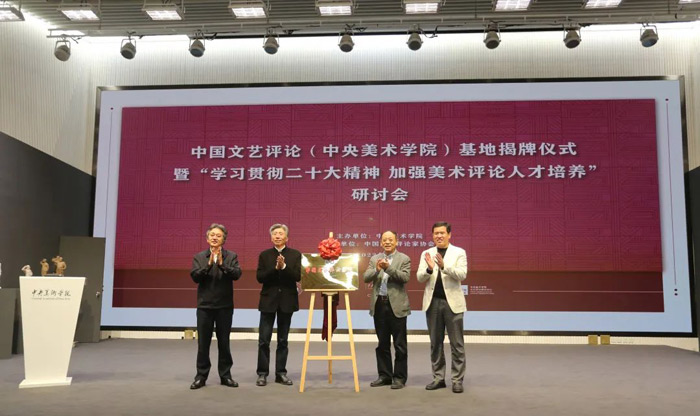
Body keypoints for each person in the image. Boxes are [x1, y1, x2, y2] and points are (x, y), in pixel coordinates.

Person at [189, 223, 242, 390]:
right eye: (212, 235)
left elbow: (237, 274)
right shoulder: (199, 257)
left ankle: (225, 376)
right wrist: (208, 264)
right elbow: (195, 277)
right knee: (203, 344)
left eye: (218, 236)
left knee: (224, 343)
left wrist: (221, 264)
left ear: (223, 239)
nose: (215, 238)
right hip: (204, 307)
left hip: (224, 307)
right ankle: (201, 376)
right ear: (207, 238)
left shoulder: (231, 256)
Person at [417, 222, 468, 393]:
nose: (439, 236)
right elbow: (419, 277)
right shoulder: (426, 253)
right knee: (435, 343)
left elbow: (462, 274)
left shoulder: (459, 252)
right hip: (433, 303)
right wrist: (429, 270)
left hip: (453, 303)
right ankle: (438, 378)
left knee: (457, 344)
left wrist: (444, 266)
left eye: (442, 233)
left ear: (449, 235)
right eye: (436, 233)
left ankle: (457, 380)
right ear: (432, 235)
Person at [363, 231, 411, 389]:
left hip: (397, 306)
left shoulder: (404, 258)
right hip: (379, 305)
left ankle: (399, 378)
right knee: (382, 343)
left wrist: (388, 268)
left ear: (396, 241)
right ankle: (384, 375)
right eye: (385, 240)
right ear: (381, 242)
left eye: (391, 239)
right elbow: (366, 277)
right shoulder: (374, 258)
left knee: (400, 345)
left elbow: (405, 278)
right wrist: (377, 270)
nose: (388, 242)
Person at [255, 224, 302, 387]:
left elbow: (298, 276)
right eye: (274, 233)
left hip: (287, 301)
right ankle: (262, 373)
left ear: (286, 237)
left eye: (280, 233)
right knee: (264, 340)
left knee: (283, 340)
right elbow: (260, 277)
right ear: (271, 237)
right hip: (268, 301)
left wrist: (284, 267)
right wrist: (275, 268)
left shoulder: (295, 254)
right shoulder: (264, 255)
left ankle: (281, 373)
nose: (277, 236)